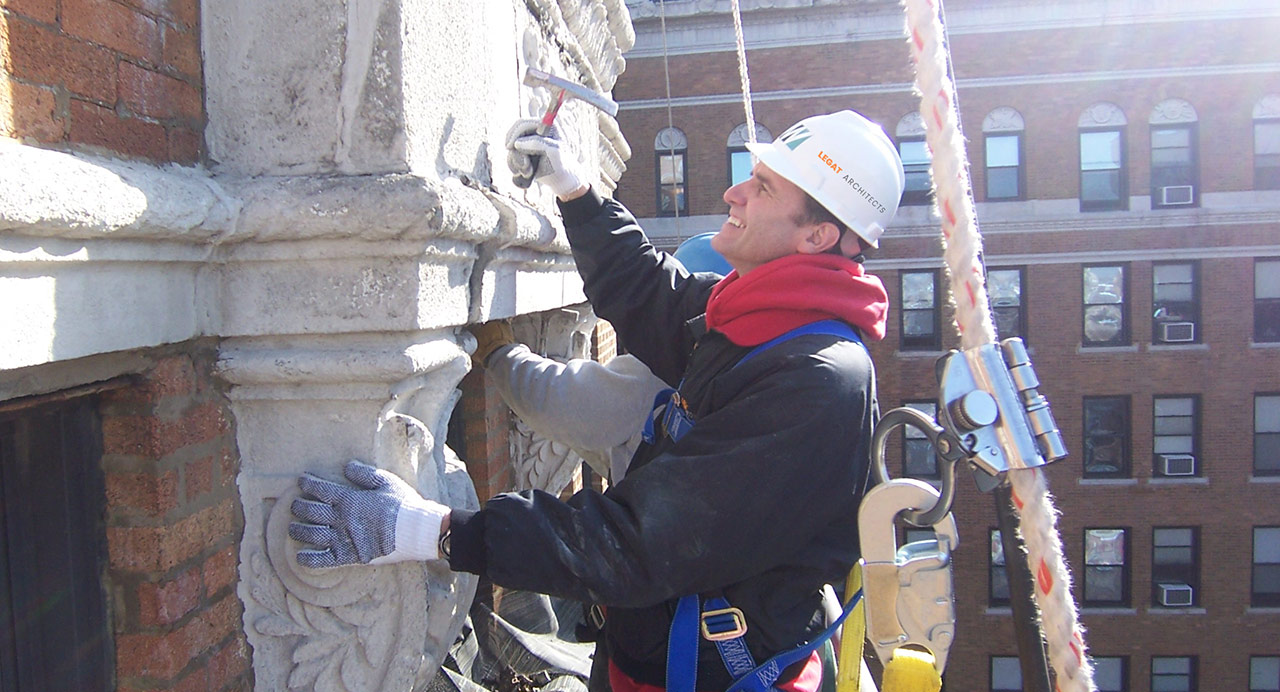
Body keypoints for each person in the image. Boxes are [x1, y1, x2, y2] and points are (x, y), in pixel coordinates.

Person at [289, 109, 905, 692]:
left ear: (819, 234)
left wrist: (428, 531)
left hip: (705, 673)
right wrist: (576, 192)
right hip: (661, 649)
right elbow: (652, 297)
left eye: (764, 189)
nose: (733, 193)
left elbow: (637, 544)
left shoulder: (815, 383)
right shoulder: (765, 319)